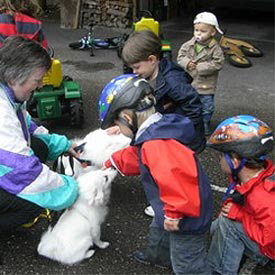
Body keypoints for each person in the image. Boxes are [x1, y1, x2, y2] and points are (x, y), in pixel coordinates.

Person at [99, 74, 213, 274]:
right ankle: (157, 255)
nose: (118, 130)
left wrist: (174, 213)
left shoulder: (157, 144)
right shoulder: (156, 130)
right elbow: (138, 155)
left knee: (188, 264)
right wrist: (114, 162)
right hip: (171, 205)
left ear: (127, 118)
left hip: (186, 216)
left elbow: (176, 178)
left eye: (116, 123)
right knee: (159, 228)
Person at [0, 36, 79, 232]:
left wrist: (64, 144)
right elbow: (24, 171)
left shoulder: (9, 92)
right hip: (13, 164)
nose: (41, 85)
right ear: (13, 77)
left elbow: (26, 125)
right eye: (37, 80)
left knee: (39, 146)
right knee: (33, 205)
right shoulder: (1, 111)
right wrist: (71, 188)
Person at [206, 115, 275, 274]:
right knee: (225, 219)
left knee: (229, 223)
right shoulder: (253, 176)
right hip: (266, 235)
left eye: (223, 155)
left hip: (271, 250)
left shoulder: (263, 197)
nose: (219, 158)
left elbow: (268, 240)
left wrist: (239, 215)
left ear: (235, 162)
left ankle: (219, 271)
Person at [122, 29, 205, 154]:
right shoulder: (148, 73)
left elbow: (194, 107)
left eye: (136, 67)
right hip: (167, 125)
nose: (134, 72)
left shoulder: (173, 83)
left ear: (151, 60)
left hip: (184, 139)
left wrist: (186, 137)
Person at [177, 11, 225, 135]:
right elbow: (180, 56)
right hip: (190, 82)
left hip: (206, 85)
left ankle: (204, 124)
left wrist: (200, 67)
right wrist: (187, 63)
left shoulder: (215, 48)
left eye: (203, 31)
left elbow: (218, 63)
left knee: (207, 106)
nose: (198, 33)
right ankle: (190, 122)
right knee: (189, 104)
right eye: (196, 30)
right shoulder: (189, 45)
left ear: (212, 32)